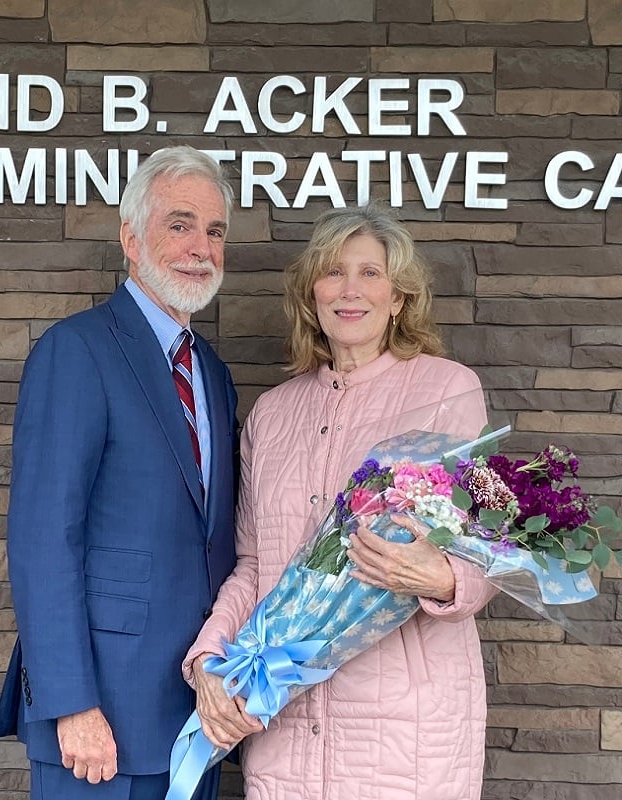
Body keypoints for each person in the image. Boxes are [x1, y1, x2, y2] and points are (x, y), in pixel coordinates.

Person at [183, 204, 496, 800]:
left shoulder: (445, 391)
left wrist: (446, 578)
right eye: (333, 272)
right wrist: (209, 660)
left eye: (371, 273)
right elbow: (253, 565)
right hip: (285, 724)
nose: (350, 290)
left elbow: (487, 548)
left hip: (407, 733)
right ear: (312, 294)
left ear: (399, 297)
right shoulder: (272, 413)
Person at [0, 146, 240, 800]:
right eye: (179, 224)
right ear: (131, 239)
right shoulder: (77, 352)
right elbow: (43, 539)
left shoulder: (210, 372)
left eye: (215, 231)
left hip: (192, 717)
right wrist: (71, 705)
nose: (200, 246)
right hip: (99, 726)